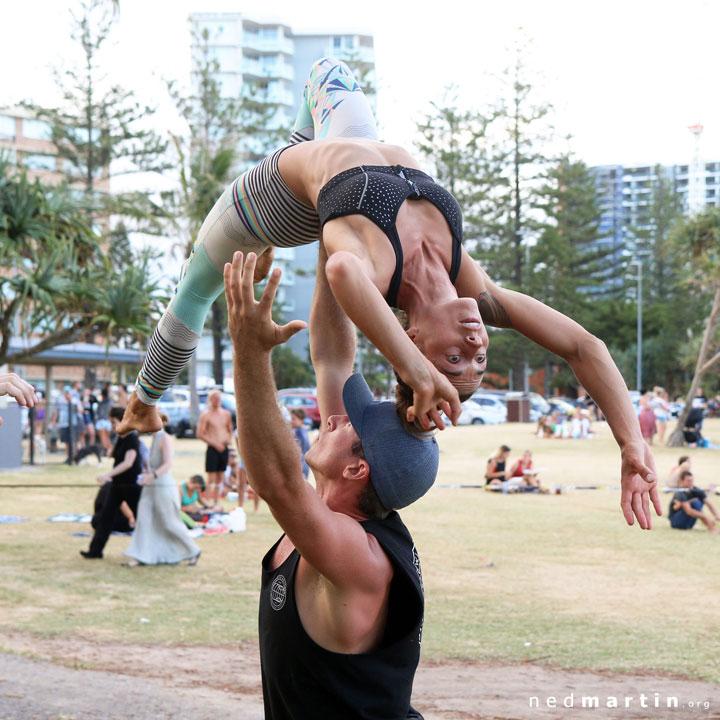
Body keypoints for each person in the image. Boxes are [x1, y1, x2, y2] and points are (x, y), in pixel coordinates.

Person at [122, 59, 661, 530]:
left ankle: (142, 403)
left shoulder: (375, 271)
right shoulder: (466, 280)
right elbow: (584, 347)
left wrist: (419, 372)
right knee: (328, 70)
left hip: (273, 204)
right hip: (336, 149)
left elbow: (342, 276)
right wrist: (631, 445)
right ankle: (292, 181)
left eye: (455, 356)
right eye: (480, 356)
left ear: (414, 338)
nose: (477, 340)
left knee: (195, 288)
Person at [225, 249, 437, 719]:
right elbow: (332, 359)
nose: (334, 418)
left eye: (349, 425)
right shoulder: (343, 509)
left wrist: (249, 348)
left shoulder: (361, 559)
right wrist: (332, 235)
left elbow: (277, 481)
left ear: (358, 469)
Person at [123, 415, 201, 567]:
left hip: (163, 486)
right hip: (150, 487)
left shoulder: (164, 437)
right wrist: (147, 472)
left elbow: (167, 464)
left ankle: (193, 550)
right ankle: (142, 555)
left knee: (169, 521)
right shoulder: (153, 439)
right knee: (144, 520)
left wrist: (152, 475)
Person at [80, 407, 143, 559]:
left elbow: (128, 463)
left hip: (130, 486)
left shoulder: (132, 439)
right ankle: (95, 551)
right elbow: (111, 454)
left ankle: (147, 550)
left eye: (114, 422)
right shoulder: (121, 438)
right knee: (105, 517)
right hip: (117, 485)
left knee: (142, 519)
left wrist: (108, 475)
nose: (112, 426)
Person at [196, 390, 234, 505]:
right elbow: (200, 434)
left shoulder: (226, 414)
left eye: (219, 399)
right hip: (213, 448)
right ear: (210, 400)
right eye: (214, 399)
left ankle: (216, 502)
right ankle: (207, 501)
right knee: (211, 478)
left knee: (220, 477)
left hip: (224, 448)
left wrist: (228, 439)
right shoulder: (206, 415)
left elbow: (229, 429)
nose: (217, 401)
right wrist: (215, 444)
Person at [289, 408, 311, 478]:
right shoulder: (304, 430)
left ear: (301, 420)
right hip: (305, 464)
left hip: (299, 464)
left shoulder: (297, 432)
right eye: (291, 418)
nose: (291, 421)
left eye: (294, 419)